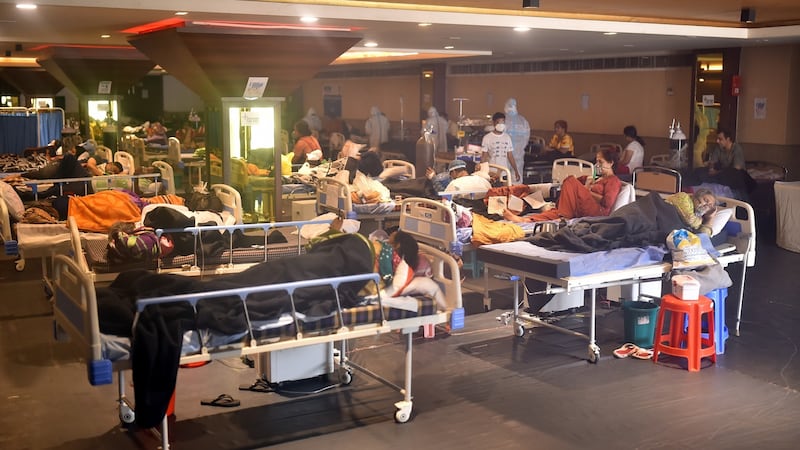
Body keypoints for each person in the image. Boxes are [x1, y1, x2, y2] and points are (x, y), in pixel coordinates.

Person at [504, 147, 621, 223]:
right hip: (583, 206)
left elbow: (607, 203)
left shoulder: (613, 181)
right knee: (555, 211)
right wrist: (587, 183)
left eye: (600, 162)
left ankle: (564, 216)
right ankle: (525, 220)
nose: (597, 165)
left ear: (610, 163)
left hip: (597, 211)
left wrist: (587, 191)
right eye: (596, 161)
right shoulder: (596, 178)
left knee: (570, 181)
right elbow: (574, 185)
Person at [696, 127, 755, 194]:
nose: (717, 141)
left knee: (729, 175)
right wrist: (711, 169)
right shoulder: (719, 147)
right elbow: (713, 161)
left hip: (735, 175)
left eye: (720, 139)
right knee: (700, 171)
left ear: (728, 139)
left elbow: (736, 169)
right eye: (717, 139)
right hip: (721, 173)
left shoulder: (736, 149)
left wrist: (717, 172)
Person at [480, 112, 520, 183]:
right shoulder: (487, 138)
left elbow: (510, 156)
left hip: (504, 172)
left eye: (503, 122)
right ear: (494, 123)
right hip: (492, 172)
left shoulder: (507, 137)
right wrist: (481, 171)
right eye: (498, 122)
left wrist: (516, 171)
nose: (501, 125)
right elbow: (484, 156)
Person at [503, 98, 531, 180]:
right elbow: (526, 137)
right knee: (516, 176)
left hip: (507, 154)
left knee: (505, 176)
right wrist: (519, 148)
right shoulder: (523, 121)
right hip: (517, 153)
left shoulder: (503, 120)